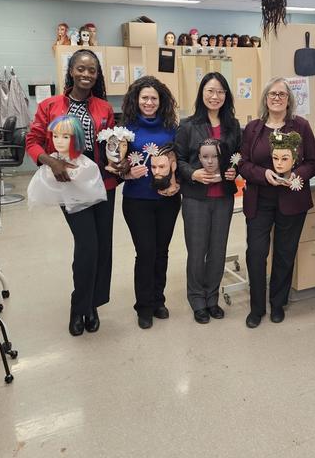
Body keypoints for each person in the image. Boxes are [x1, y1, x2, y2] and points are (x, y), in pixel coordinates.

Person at [26, 49, 119, 337]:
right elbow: (32, 141)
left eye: (92, 70)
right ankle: (79, 307)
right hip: (70, 186)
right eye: (81, 68)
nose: (86, 74)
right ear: (71, 71)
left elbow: (111, 144)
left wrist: (120, 160)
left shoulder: (104, 108)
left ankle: (93, 305)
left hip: (103, 184)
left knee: (103, 248)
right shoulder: (50, 105)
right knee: (88, 246)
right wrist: (51, 160)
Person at [238, 78, 315, 328]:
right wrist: (264, 175)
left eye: (282, 94)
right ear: (265, 98)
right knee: (256, 253)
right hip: (259, 199)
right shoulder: (253, 129)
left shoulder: (301, 127)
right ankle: (256, 307)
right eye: (272, 93)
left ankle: (278, 303)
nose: (277, 98)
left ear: (289, 100)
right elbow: (242, 163)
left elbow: (312, 162)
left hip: (291, 201)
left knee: (284, 254)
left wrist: (297, 175)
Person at [175, 72, 241, 324]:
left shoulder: (233, 126)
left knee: (217, 250)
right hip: (196, 199)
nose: (215, 96)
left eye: (220, 92)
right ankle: (197, 299)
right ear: (202, 94)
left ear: (226, 96)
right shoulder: (188, 125)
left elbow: (238, 156)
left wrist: (235, 170)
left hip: (223, 198)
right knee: (197, 250)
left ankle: (212, 297)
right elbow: (178, 160)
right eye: (210, 91)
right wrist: (194, 173)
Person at [120, 75, 180, 330]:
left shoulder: (172, 127)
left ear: (161, 100)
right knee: (145, 253)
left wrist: (177, 184)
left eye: (154, 98)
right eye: (144, 97)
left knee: (162, 252)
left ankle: (158, 300)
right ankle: (143, 306)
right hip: (137, 200)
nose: (149, 102)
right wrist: (125, 173)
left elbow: (180, 160)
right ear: (136, 99)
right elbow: (114, 164)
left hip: (168, 199)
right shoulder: (125, 129)